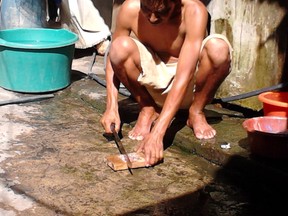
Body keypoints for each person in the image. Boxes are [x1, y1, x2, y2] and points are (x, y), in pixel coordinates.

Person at [101, 0, 232, 166]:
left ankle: (196, 111)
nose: (153, 18)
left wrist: (157, 133)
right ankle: (147, 108)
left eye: (161, 12)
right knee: (119, 46)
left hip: (188, 87)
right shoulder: (130, 8)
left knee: (218, 48)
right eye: (147, 9)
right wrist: (111, 107)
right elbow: (113, 59)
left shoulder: (195, 11)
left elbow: (184, 76)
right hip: (153, 84)